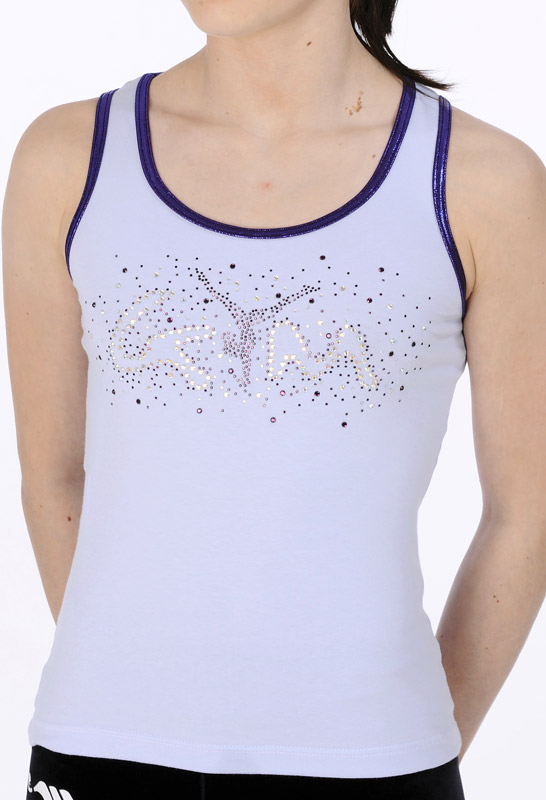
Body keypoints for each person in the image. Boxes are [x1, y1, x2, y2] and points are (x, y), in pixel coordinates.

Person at [3, 1, 545, 798]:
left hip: (373, 760)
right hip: (99, 751)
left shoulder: (482, 183)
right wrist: (135, 691)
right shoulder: (68, 159)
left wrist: (409, 734)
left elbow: (527, 512)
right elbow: (51, 475)